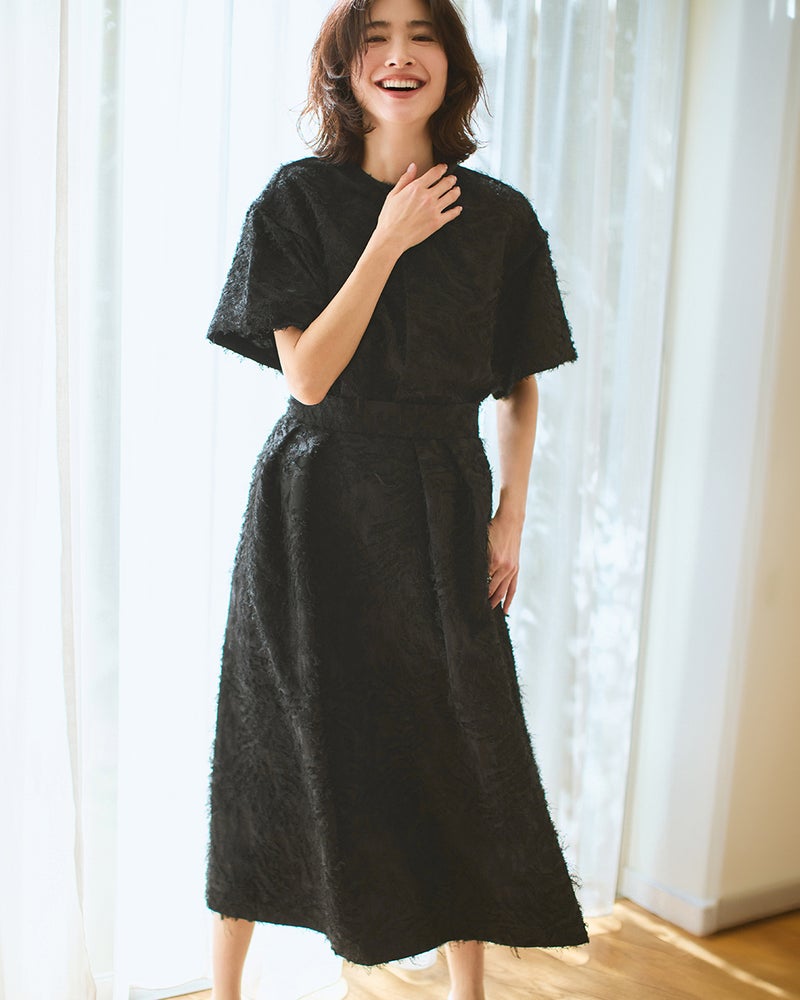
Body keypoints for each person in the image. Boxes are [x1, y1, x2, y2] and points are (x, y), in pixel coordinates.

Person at [204, 0, 589, 997]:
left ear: (452, 62)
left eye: (422, 35)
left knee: (453, 741)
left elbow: (520, 383)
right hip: (313, 504)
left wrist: (508, 518)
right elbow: (307, 378)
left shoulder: (500, 218)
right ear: (343, 62)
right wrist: (386, 240)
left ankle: (466, 990)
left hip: (440, 504)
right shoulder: (295, 201)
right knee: (273, 743)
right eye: (375, 36)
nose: (399, 55)